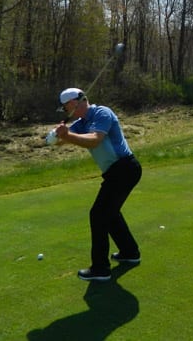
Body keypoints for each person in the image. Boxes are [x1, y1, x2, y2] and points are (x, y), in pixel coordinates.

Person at [54, 87, 142, 282]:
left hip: (125, 168)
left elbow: (94, 140)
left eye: (66, 106)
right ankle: (130, 252)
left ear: (76, 102)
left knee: (98, 215)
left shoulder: (102, 113)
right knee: (109, 213)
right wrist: (56, 135)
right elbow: (60, 141)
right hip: (114, 173)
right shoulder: (80, 123)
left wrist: (67, 136)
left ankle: (101, 269)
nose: (66, 110)